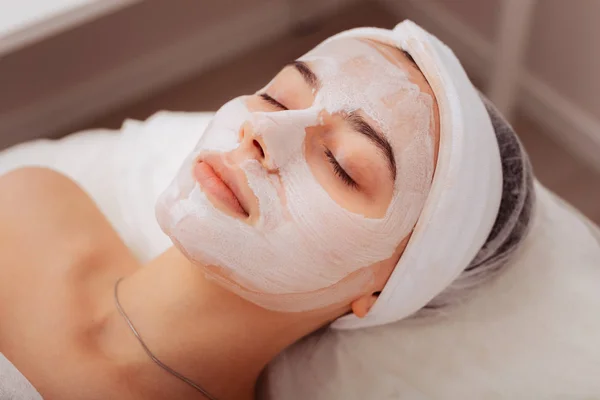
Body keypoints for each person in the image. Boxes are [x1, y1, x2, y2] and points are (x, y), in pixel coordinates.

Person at [0, 21, 533, 400]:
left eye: (342, 165)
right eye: (278, 97)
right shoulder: (32, 199)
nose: (263, 132)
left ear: (385, 289)